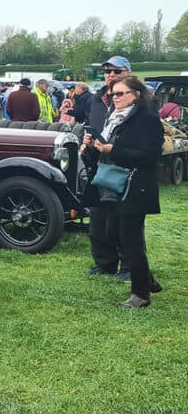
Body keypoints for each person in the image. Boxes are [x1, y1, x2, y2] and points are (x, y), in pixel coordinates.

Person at [80, 76, 163, 308]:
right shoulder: (114, 118)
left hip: (135, 187)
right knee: (113, 232)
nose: (115, 98)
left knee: (130, 239)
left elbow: (149, 156)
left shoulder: (147, 119)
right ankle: (147, 281)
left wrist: (112, 149)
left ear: (136, 94)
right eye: (113, 94)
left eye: (121, 93)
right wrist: (91, 146)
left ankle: (141, 295)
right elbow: (104, 154)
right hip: (114, 185)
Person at [84, 56, 133, 279]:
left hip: (125, 167)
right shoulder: (96, 99)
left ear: (128, 73)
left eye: (116, 71)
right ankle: (104, 263)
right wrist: (88, 140)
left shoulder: (139, 101)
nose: (111, 74)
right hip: (98, 164)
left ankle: (129, 267)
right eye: (107, 71)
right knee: (98, 217)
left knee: (124, 219)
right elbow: (92, 124)